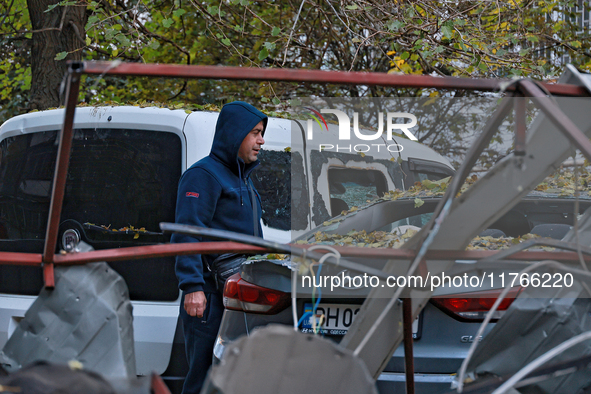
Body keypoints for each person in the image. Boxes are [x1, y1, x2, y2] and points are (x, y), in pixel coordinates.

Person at [171, 101, 267, 394]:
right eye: (254, 133)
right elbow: (186, 232)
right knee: (203, 379)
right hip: (209, 298)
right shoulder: (203, 176)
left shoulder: (245, 181)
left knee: (234, 378)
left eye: (262, 133)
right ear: (234, 134)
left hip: (240, 295)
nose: (261, 141)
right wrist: (192, 287)